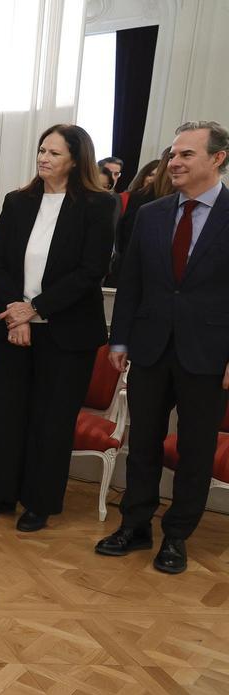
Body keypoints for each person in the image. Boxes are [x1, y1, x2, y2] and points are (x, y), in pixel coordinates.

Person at [97, 120, 229, 574]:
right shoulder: (152, 214)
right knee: (144, 444)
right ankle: (135, 525)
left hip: (209, 354)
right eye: (173, 154)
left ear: (217, 159)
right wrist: (121, 337)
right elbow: (131, 281)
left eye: (186, 154)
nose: (174, 162)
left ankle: (176, 536)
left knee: (195, 449)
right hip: (150, 347)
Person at [0, 124, 117, 531]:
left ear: (75, 159)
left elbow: (91, 271)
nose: (44, 158)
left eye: (54, 153)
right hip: (11, 323)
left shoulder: (98, 205)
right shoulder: (17, 202)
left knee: (51, 419)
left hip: (66, 331)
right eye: (41, 150)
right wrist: (17, 312)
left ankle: (39, 502)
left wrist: (33, 310)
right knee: (6, 413)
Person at [107, 153, 168, 287]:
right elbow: (121, 236)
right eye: (151, 174)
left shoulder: (167, 202)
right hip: (123, 265)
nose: (153, 179)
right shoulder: (126, 199)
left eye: (157, 176)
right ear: (143, 175)